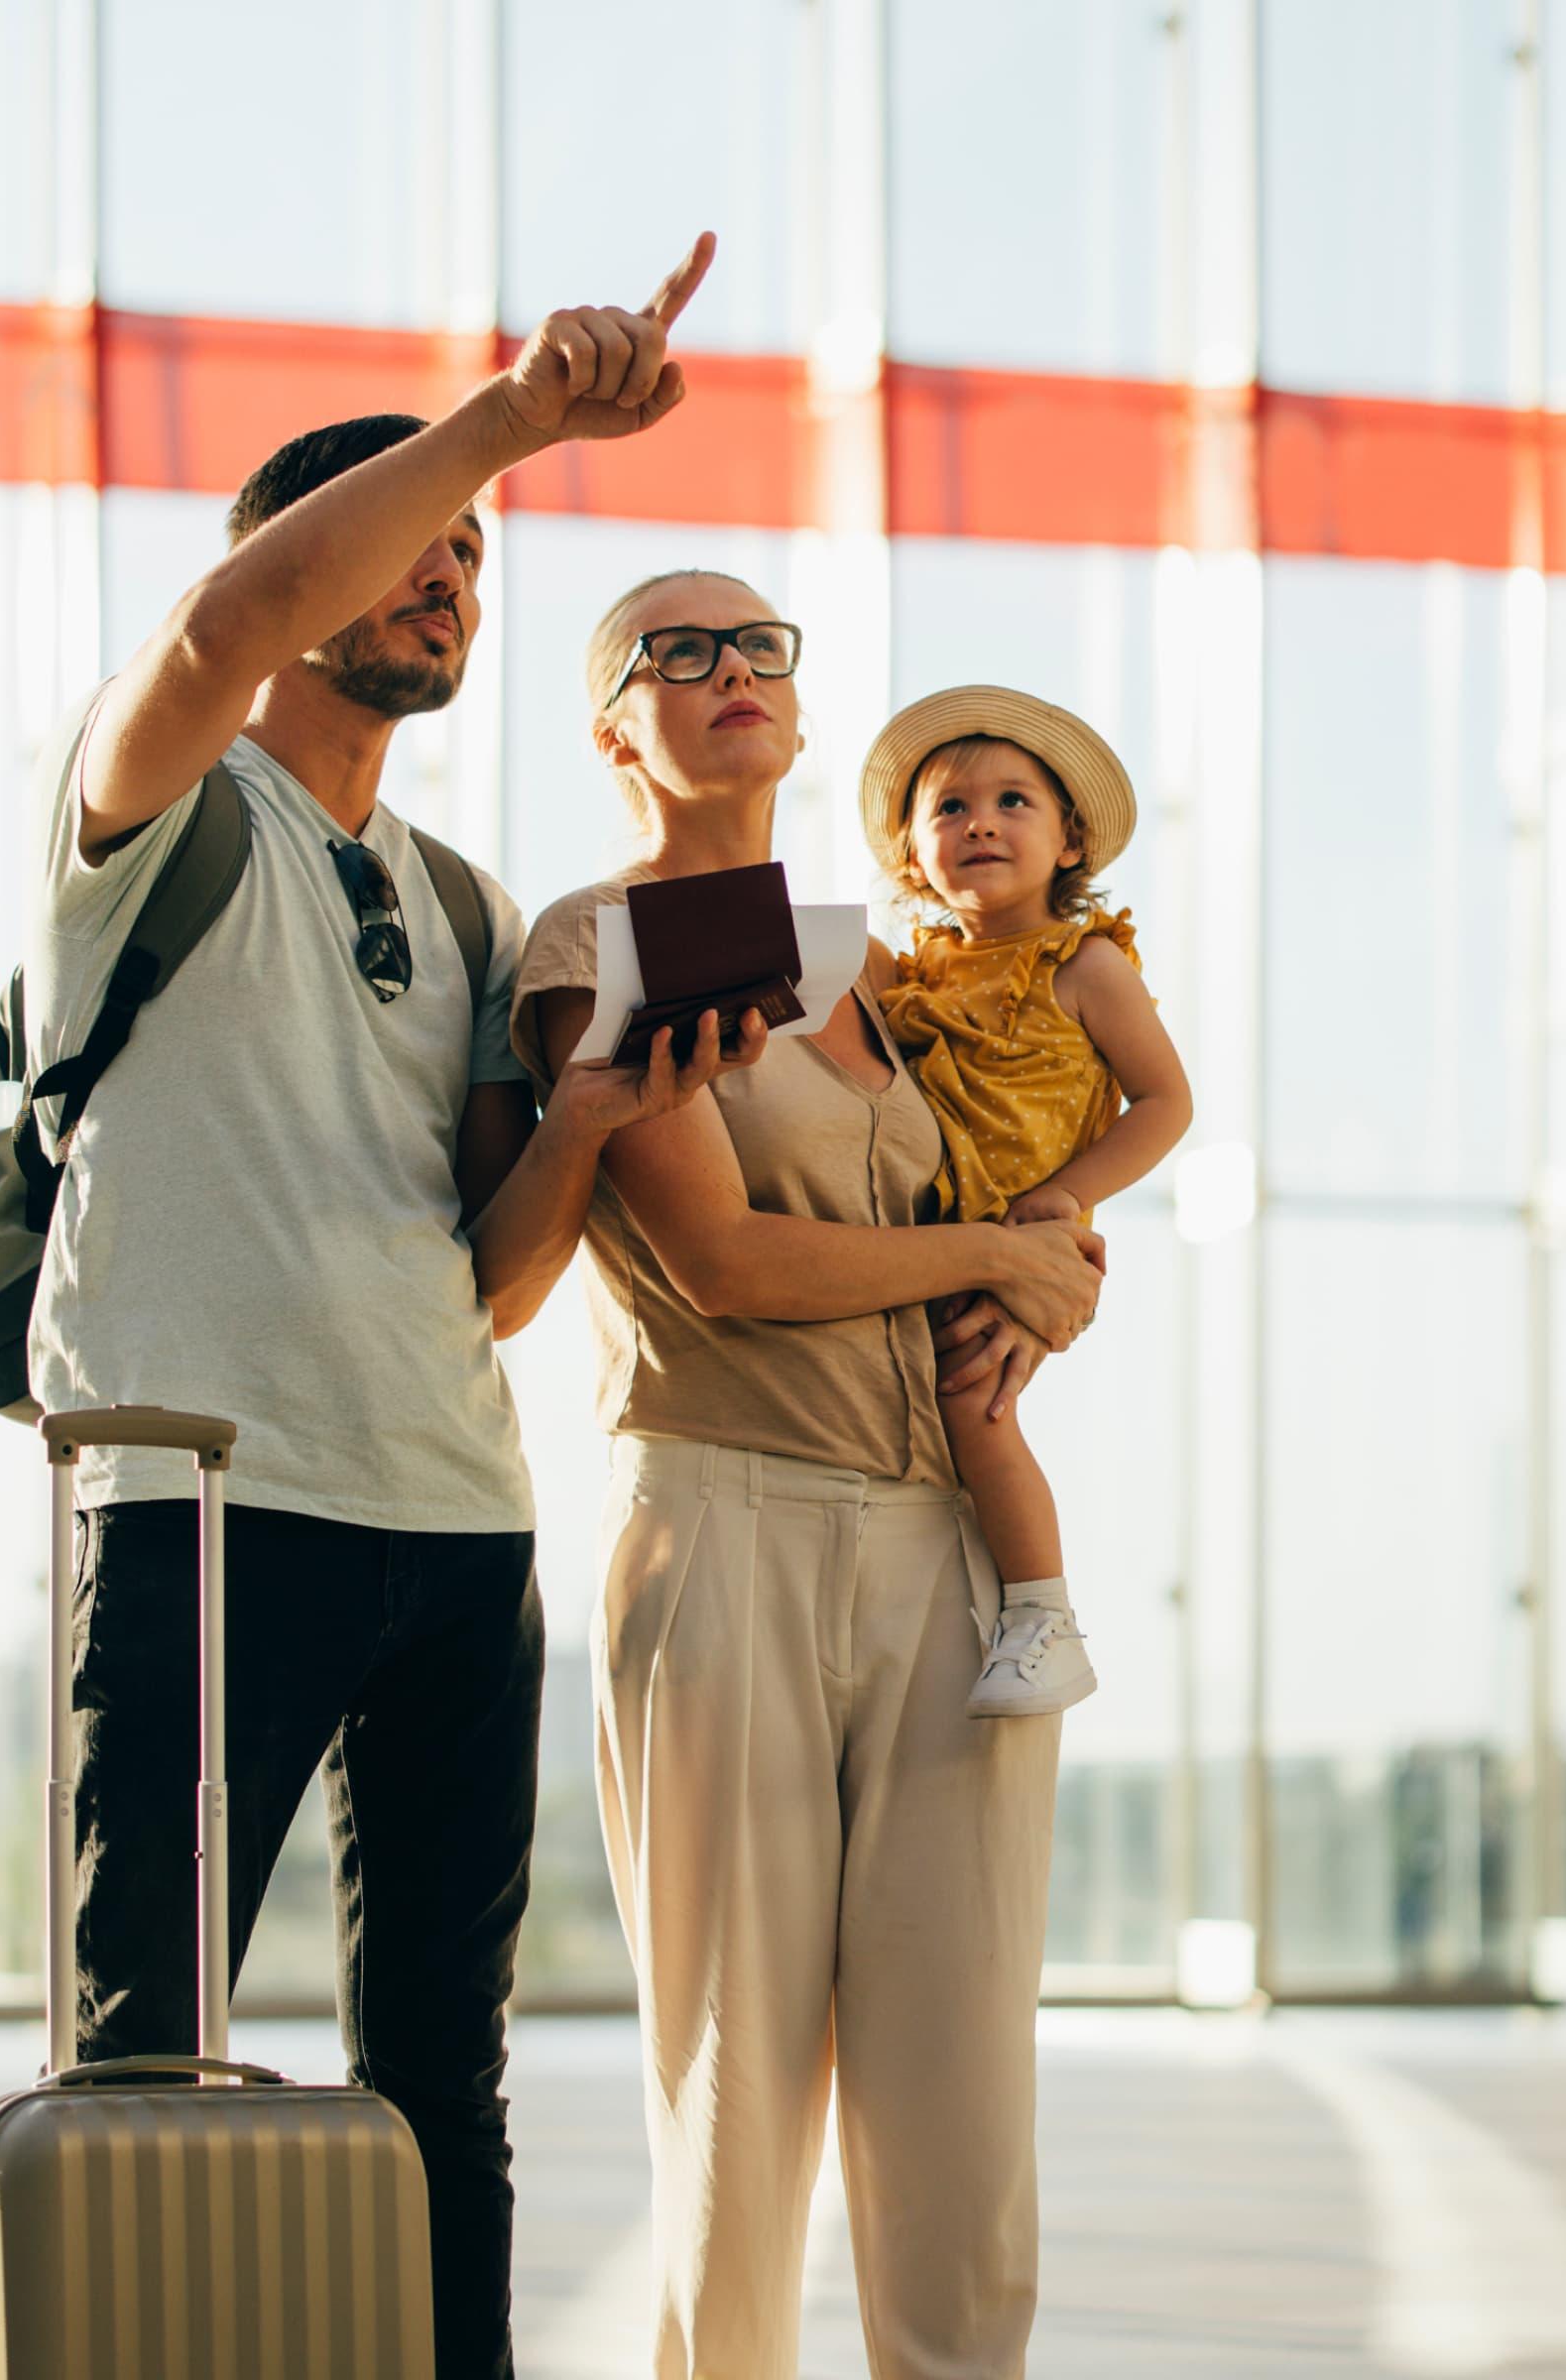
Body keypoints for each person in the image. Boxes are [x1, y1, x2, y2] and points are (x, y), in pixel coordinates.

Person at [25, 239, 751, 2380]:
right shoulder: (152, 798)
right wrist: (518, 411)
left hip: (452, 1522)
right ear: (297, 559)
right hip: (204, 1507)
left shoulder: (463, 904)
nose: (451, 581)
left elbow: (497, 1278)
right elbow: (221, 629)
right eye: (415, 546)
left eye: (473, 564)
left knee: (447, 2081)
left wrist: (599, 1117)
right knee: (146, 2064)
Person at [509, 570, 1108, 2378]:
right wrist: (992, 1265)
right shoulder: (592, 946)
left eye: (760, 645)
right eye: (674, 654)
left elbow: (1010, 1190)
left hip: (944, 1548)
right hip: (725, 1527)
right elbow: (729, 1267)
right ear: (617, 727)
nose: (731, 674)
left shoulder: (877, 970)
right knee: (737, 2080)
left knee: (961, 2078)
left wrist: (1054, 1253)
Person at [866, 687, 1192, 1717]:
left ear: (1068, 843)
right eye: (950, 810)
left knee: (978, 1402)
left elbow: (1168, 1101)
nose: (982, 824)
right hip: (941, 1233)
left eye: (1013, 802)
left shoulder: (1085, 965)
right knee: (926, 1401)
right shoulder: (914, 977)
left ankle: (1044, 1618)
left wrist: (1066, 1199)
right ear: (914, 857)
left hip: (1022, 1230)